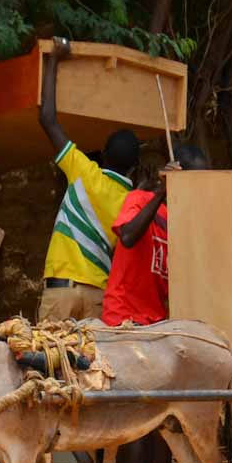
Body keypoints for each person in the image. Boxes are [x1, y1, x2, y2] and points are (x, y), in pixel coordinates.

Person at [105, 142, 213, 463]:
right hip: (126, 317)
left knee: (160, 405)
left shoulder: (178, 218)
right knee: (142, 405)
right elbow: (129, 235)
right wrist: (160, 194)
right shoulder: (138, 199)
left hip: (157, 320)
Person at [36, 38, 140, 325]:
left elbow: (47, 119)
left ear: (103, 154)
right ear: (134, 167)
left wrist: (55, 59)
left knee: (48, 366)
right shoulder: (132, 203)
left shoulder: (84, 171)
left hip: (62, 292)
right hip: (98, 296)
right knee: (91, 369)